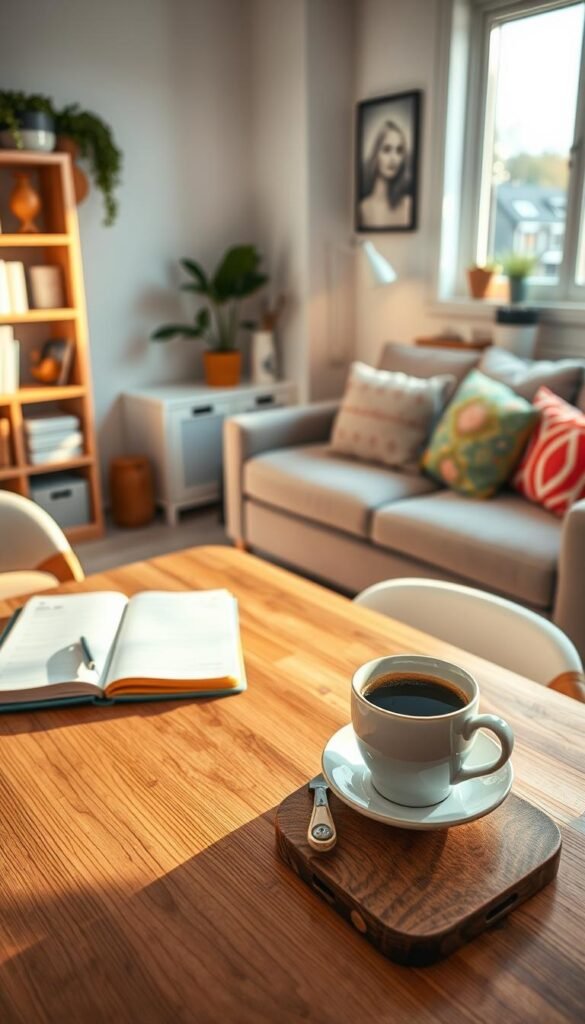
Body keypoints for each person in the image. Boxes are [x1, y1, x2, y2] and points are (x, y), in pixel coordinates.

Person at [359, 119, 413, 229]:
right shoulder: (363, 209)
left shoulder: (409, 205)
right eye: (387, 149)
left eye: (399, 151)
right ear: (376, 154)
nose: (394, 159)